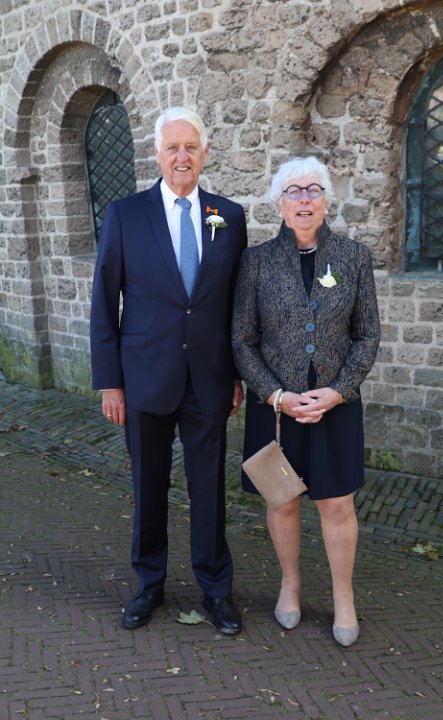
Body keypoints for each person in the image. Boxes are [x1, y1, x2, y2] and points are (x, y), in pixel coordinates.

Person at [90, 107, 247, 635]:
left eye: (191, 147)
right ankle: (148, 585)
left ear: (205, 153)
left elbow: (235, 304)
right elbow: (103, 302)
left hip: (209, 378)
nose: (182, 156)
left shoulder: (229, 216)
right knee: (148, 488)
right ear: (156, 154)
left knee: (209, 490)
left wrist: (237, 374)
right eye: (172, 147)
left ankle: (216, 590)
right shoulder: (125, 215)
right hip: (144, 378)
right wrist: (110, 382)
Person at [232, 157, 380, 646]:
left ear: (326, 201)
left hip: (335, 404)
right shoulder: (256, 262)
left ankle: (343, 596)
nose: (304, 200)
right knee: (283, 501)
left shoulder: (353, 257)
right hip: (277, 406)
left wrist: (339, 391)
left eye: (314, 190)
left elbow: (367, 334)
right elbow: (242, 340)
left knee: (337, 504)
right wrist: (275, 394)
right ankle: (290, 584)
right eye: (293, 191)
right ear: (279, 204)